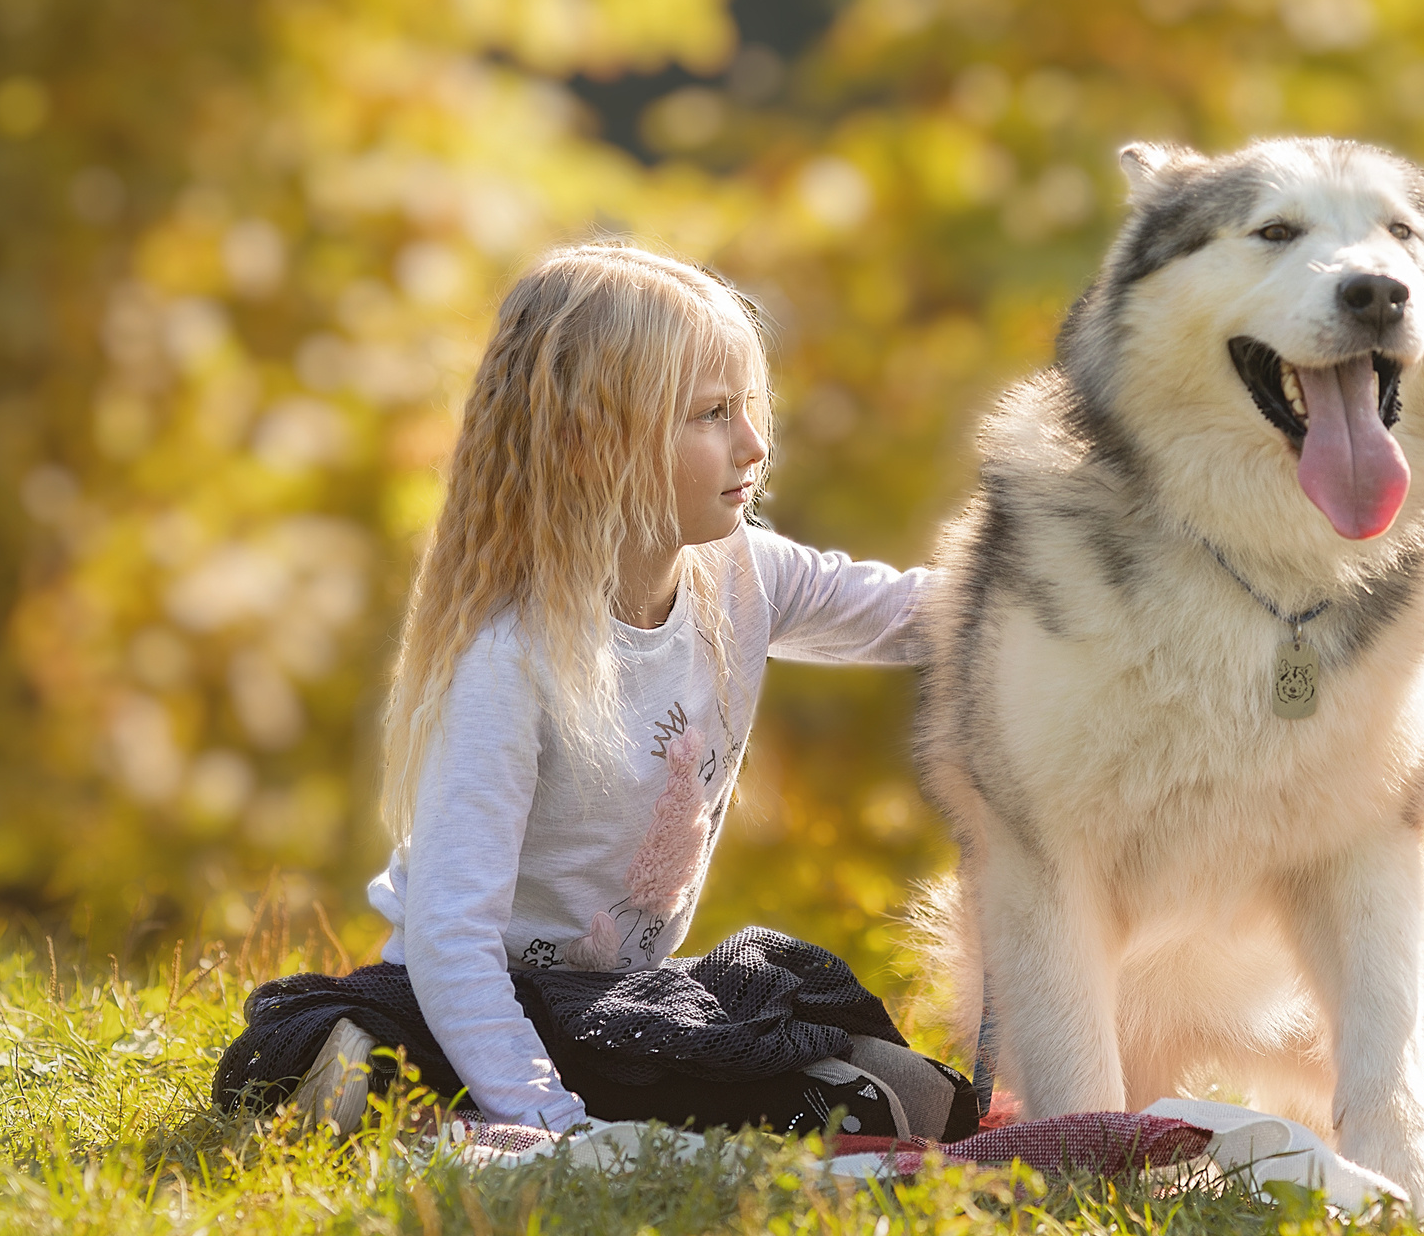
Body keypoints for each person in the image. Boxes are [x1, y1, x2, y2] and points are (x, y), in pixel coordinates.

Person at [215, 242, 971, 1144]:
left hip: (617, 1004)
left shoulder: (743, 575)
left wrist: (1091, 575)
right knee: (344, 1053)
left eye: (749, 410)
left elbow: (919, 614)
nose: (754, 446)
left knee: (895, 1086)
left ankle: (581, 1097)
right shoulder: (513, 656)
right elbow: (453, 937)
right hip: (467, 1001)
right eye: (712, 415)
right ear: (592, 440)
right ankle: (391, 1090)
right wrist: (552, 1125)